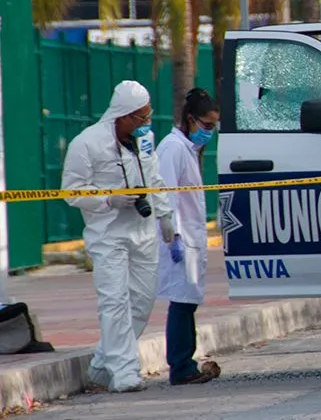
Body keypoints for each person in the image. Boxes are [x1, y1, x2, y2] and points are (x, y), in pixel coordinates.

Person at [61, 80, 175, 392]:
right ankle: (125, 372)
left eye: (148, 116)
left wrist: (165, 215)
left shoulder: (146, 140)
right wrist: (107, 198)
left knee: (142, 301)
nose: (146, 123)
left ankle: (101, 365)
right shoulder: (87, 144)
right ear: (122, 115)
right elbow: (71, 191)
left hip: (142, 232)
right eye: (141, 117)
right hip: (107, 234)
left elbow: (154, 177)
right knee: (114, 301)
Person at [156, 88, 222, 385]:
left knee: (187, 301)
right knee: (181, 302)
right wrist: (173, 232)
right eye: (206, 126)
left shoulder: (187, 148)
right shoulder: (172, 148)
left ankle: (185, 362)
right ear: (190, 119)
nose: (209, 132)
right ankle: (180, 366)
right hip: (180, 238)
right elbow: (166, 193)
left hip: (191, 237)